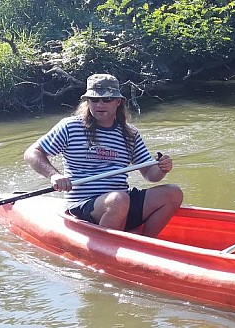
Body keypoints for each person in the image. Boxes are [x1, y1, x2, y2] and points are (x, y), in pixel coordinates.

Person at [24, 73, 183, 237]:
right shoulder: (70, 127)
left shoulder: (130, 134)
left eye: (106, 99)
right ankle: (107, 245)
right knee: (118, 200)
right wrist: (54, 176)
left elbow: (151, 175)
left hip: (121, 201)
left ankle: (146, 243)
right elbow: (32, 153)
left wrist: (163, 168)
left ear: (118, 102)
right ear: (87, 102)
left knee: (173, 193)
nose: (100, 104)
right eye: (94, 99)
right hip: (85, 204)